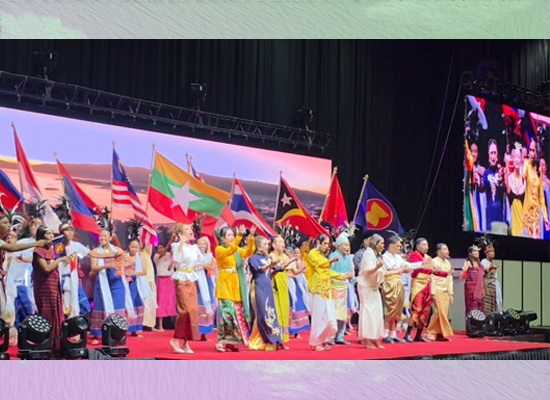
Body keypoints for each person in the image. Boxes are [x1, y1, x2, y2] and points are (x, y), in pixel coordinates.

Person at [214, 225, 256, 352]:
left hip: (235, 284)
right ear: (222, 238)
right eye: (229, 235)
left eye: (232, 235)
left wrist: (250, 237)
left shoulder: (236, 249)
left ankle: (230, 342)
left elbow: (248, 252)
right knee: (228, 314)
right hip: (224, 284)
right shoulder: (219, 249)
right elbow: (229, 251)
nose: (231, 237)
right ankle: (220, 341)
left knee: (236, 314)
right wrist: (239, 237)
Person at [306, 233, 351, 351]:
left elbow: (327, 271)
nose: (327, 246)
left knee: (329, 316)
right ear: (318, 243)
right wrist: (330, 261)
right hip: (317, 289)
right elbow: (318, 264)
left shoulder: (322, 256)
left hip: (327, 289)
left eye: (328, 244)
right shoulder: (312, 254)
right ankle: (315, 342)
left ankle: (325, 340)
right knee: (319, 316)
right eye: (325, 243)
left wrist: (342, 276)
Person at [31, 225, 70, 355]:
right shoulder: (38, 251)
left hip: (54, 285)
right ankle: (46, 345)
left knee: (57, 313)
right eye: (48, 234)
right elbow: (46, 269)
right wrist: (59, 259)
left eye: (52, 234)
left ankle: (57, 346)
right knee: (47, 314)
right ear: (41, 236)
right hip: (44, 287)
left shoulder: (53, 250)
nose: (51, 236)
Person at [380, 235, 423, 344]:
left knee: (397, 310)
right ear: (391, 246)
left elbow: (407, 266)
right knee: (389, 310)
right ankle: (385, 334)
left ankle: (393, 334)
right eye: (398, 246)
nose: (400, 248)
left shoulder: (397, 257)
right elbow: (392, 269)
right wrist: (401, 269)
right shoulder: (384, 257)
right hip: (389, 284)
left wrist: (422, 263)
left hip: (398, 283)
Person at [405, 238, 449, 343]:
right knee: (417, 309)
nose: (426, 247)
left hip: (427, 285)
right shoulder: (414, 255)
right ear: (417, 246)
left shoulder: (427, 257)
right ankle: (407, 334)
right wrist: (432, 271)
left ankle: (418, 335)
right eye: (424, 245)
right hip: (418, 285)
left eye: (427, 245)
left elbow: (434, 270)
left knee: (425, 311)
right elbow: (418, 269)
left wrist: (445, 273)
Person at [89, 228, 127, 344]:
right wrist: (108, 265)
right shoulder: (95, 251)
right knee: (100, 306)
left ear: (110, 238)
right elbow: (93, 268)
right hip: (102, 281)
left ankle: (117, 334)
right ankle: (97, 334)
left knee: (118, 307)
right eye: (101, 236)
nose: (103, 238)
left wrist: (122, 260)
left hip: (116, 282)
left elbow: (127, 262)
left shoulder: (117, 250)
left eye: (105, 236)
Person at [247, 236, 283, 351]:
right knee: (261, 313)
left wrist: (287, 263)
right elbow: (259, 269)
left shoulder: (267, 258)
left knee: (270, 312)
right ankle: (257, 340)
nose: (267, 246)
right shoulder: (253, 258)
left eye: (268, 244)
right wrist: (270, 264)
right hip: (258, 286)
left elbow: (277, 269)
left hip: (267, 287)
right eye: (265, 244)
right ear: (258, 246)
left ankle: (272, 339)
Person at [169, 223, 200, 354]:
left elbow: (200, 260)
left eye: (190, 229)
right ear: (180, 233)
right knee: (184, 310)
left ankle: (186, 342)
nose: (190, 231)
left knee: (192, 310)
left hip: (191, 278)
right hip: (181, 278)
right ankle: (175, 339)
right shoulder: (176, 245)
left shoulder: (194, 247)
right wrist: (181, 242)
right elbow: (176, 259)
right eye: (186, 229)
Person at [357, 234, 386, 349]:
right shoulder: (368, 254)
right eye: (381, 243)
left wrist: (399, 270)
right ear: (375, 243)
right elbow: (367, 272)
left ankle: (374, 337)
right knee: (367, 312)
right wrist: (377, 267)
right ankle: (366, 339)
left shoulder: (376, 254)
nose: (383, 246)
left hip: (373, 286)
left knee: (377, 311)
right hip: (366, 287)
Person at [328, 232, 354, 345]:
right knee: (334, 313)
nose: (348, 247)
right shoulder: (333, 256)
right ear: (339, 246)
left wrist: (354, 279)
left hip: (344, 287)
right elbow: (329, 271)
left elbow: (350, 274)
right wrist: (342, 276)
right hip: (334, 287)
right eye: (345, 245)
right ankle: (330, 336)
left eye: (349, 245)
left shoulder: (348, 258)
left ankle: (340, 336)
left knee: (343, 313)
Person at [269, 235, 295, 349]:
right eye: (280, 242)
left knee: (284, 312)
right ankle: (274, 339)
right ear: (273, 245)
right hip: (274, 287)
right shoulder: (271, 256)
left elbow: (292, 272)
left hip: (284, 286)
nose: (283, 244)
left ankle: (281, 340)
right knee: (276, 313)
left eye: (283, 242)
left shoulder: (285, 256)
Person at [426, 243, 454, 341]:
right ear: (438, 251)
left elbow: (449, 278)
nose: (447, 251)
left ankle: (440, 334)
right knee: (439, 312)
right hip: (437, 289)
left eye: (447, 249)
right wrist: (432, 293)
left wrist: (450, 293)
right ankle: (429, 331)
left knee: (443, 313)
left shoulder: (448, 263)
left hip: (445, 291)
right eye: (444, 249)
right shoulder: (434, 262)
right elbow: (432, 278)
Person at [522, 140, 549, 238]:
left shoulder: (539, 170)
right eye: (530, 150)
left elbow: (541, 197)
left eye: (534, 150)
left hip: (537, 216)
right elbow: (523, 176)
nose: (532, 153)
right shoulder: (526, 164)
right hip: (527, 213)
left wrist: (545, 218)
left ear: (536, 152)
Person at [481, 139, 506, 229]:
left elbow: (505, 190)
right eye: (491, 153)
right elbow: (482, 189)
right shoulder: (486, 173)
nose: (493, 156)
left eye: (494, 153)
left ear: (497, 154)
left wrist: (503, 177)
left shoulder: (501, 172)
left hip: (499, 211)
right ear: (488, 154)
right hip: (489, 211)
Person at [287, 246, 310, 339]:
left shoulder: (299, 261)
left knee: (299, 306)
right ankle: (290, 329)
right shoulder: (289, 262)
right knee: (293, 307)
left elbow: (300, 270)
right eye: (294, 253)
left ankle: (297, 331)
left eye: (298, 253)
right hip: (290, 284)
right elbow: (294, 272)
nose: (296, 255)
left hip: (298, 285)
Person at [195, 236, 215, 340]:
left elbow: (209, 262)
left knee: (209, 304)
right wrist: (202, 265)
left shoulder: (207, 255)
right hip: (198, 282)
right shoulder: (194, 254)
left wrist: (209, 246)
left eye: (204, 244)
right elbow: (191, 266)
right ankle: (195, 332)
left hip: (208, 280)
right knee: (200, 305)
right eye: (200, 244)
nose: (202, 246)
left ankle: (204, 333)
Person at [153, 242, 175, 332]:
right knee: (161, 301)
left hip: (170, 279)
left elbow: (174, 253)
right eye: (158, 248)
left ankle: (176, 324)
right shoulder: (156, 257)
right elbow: (162, 253)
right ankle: (160, 325)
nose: (160, 249)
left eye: (162, 247)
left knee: (171, 301)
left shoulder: (169, 255)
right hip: (161, 280)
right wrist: (169, 242)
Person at [504, 146, 526, 236]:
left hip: (523, 224)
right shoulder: (509, 178)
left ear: (521, 159)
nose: (517, 160)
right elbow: (508, 191)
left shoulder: (524, 180)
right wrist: (506, 166)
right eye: (515, 157)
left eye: (519, 157)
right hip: (512, 224)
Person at [460, 245, 485, 317]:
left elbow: (483, 275)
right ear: (470, 253)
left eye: (478, 251)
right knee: (471, 306)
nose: (477, 253)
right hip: (471, 289)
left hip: (479, 288)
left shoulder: (480, 264)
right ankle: (471, 322)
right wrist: (465, 268)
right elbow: (463, 271)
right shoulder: (468, 262)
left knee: (479, 307)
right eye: (475, 251)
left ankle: (479, 322)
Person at [140, 243, 158, 332]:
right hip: (142, 280)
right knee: (142, 303)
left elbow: (150, 242)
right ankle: (139, 325)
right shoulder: (137, 253)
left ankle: (150, 324)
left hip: (150, 279)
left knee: (151, 302)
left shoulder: (146, 252)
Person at [470, 142, 487, 232]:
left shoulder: (481, 169)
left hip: (480, 200)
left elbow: (484, 187)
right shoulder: (466, 169)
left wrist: (480, 178)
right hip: (471, 198)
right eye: (471, 151)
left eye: (475, 151)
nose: (473, 154)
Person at [480, 244, 502, 313]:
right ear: (487, 253)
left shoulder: (493, 262)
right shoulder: (483, 262)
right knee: (487, 304)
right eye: (491, 252)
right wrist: (490, 268)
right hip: (488, 285)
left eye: (493, 251)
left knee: (495, 303)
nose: (493, 253)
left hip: (494, 285)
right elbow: (481, 274)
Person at [540, 158, 550, 239]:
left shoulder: (548, 182)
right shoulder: (535, 181)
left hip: (546, 213)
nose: (541, 167)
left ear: (546, 168)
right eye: (540, 164)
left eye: (543, 165)